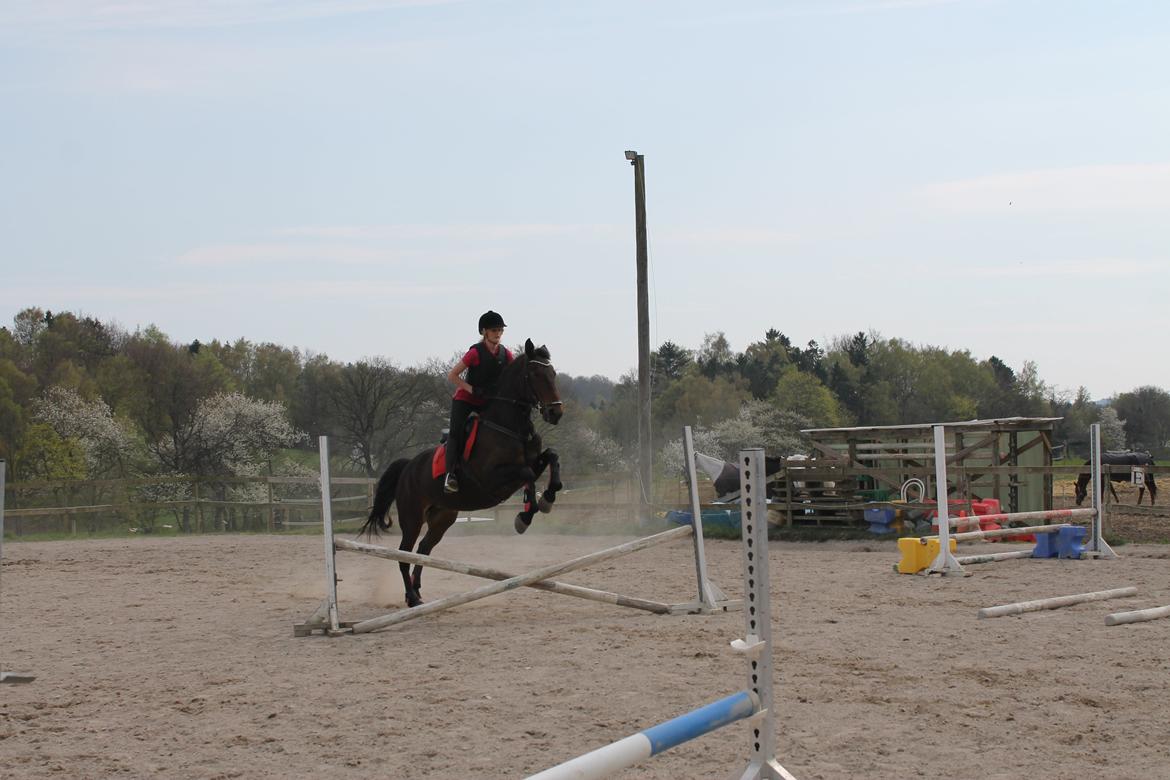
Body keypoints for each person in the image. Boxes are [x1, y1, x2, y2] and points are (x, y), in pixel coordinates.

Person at [442, 310, 513, 493]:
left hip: (486, 401)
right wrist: (472, 389)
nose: (498, 334)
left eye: (500, 330)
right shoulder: (475, 352)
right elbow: (452, 375)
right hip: (465, 399)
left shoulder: (506, 354)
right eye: (494, 330)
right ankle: (450, 475)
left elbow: (513, 375)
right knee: (455, 433)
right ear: (484, 332)